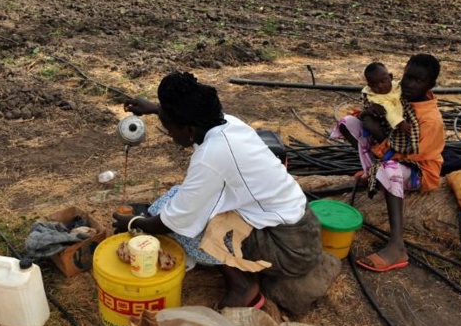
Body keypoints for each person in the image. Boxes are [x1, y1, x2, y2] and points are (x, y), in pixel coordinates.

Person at [113, 72, 323, 309]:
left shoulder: (211, 157)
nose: (169, 134)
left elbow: (173, 222)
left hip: (287, 249)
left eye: (169, 127)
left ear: (188, 128)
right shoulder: (227, 123)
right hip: (303, 229)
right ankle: (236, 271)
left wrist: (133, 223)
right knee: (177, 197)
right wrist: (156, 109)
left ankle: (243, 287)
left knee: (183, 223)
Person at [331, 54, 444, 272]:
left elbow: (413, 154)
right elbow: (372, 114)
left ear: (431, 85)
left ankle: (397, 245)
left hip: (419, 170)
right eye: (407, 77)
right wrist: (368, 113)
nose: (409, 84)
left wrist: (380, 139)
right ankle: (373, 173)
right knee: (349, 123)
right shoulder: (398, 94)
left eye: (418, 81)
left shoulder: (430, 119)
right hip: (390, 153)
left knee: (390, 168)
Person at [362, 62, 412, 135]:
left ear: (390, 77)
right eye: (374, 85)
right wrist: (400, 123)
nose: (380, 86)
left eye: (383, 81)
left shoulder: (397, 86)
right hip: (387, 125)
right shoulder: (374, 96)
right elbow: (388, 108)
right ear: (369, 86)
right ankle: (382, 143)